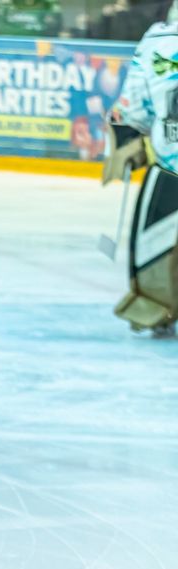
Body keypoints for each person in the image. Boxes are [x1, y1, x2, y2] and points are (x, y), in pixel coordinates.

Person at [107, 21, 178, 334]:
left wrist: (128, 136)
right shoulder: (160, 40)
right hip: (170, 169)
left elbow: (132, 106)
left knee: (160, 259)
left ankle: (159, 304)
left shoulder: (159, 40)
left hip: (171, 168)